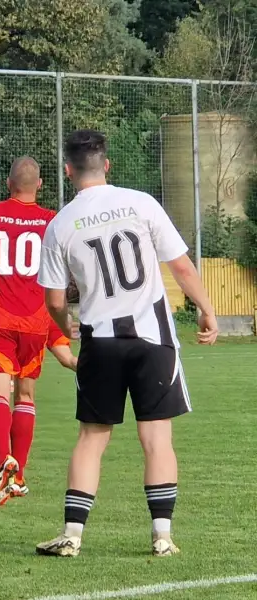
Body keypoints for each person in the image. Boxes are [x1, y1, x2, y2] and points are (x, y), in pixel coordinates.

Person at [35, 129, 218, 557]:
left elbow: (55, 300)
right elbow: (182, 267)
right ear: (107, 165)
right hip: (153, 339)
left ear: (68, 171)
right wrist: (206, 309)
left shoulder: (60, 224)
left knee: (91, 438)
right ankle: (162, 537)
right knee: (156, 438)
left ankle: (72, 536)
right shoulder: (141, 203)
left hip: (100, 342)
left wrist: (64, 327)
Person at [0, 157, 78, 507]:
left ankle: (3, 464)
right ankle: (18, 474)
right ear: (39, 185)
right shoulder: (52, 221)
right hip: (35, 322)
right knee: (25, 397)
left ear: (8, 182)